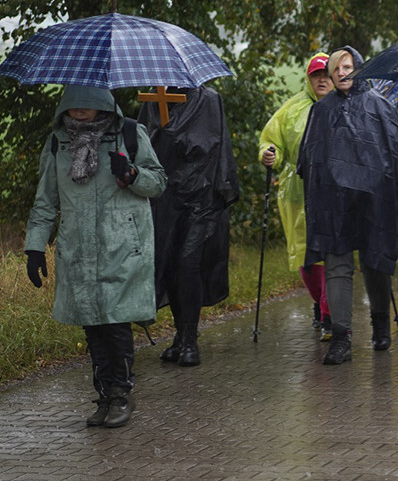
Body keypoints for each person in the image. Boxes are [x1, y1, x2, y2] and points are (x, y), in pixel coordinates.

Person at [25, 85, 167, 427]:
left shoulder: (130, 134)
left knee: (114, 321)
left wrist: (132, 175)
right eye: (73, 105)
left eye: (86, 104)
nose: (79, 110)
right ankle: (104, 396)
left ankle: (120, 395)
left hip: (122, 245)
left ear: (102, 102)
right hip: (78, 247)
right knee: (93, 324)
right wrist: (34, 246)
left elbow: (159, 182)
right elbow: (46, 199)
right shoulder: (59, 142)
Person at [297, 46, 398, 364]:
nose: (342, 73)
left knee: (375, 264)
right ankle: (341, 338)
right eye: (336, 68)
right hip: (333, 204)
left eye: (348, 67)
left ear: (359, 68)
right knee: (337, 266)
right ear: (330, 73)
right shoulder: (321, 111)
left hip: (374, 201)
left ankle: (380, 323)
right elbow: (308, 158)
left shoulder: (378, 106)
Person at [139, 85, 239, 368]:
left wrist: (222, 188)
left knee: (188, 262)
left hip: (201, 195)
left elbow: (219, 146)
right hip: (165, 195)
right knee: (169, 263)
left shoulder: (208, 100)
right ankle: (180, 336)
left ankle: (190, 338)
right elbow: (145, 144)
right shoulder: (153, 98)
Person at [259, 53, 334, 338]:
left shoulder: (343, 106)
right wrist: (269, 155)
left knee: (330, 255)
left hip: (331, 192)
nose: (323, 79)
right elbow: (270, 139)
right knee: (305, 257)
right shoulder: (291, 108)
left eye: (327, 74)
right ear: (309, 78)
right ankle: (319, 302)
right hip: (296, 191)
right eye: (317, 75)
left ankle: (328, 314)